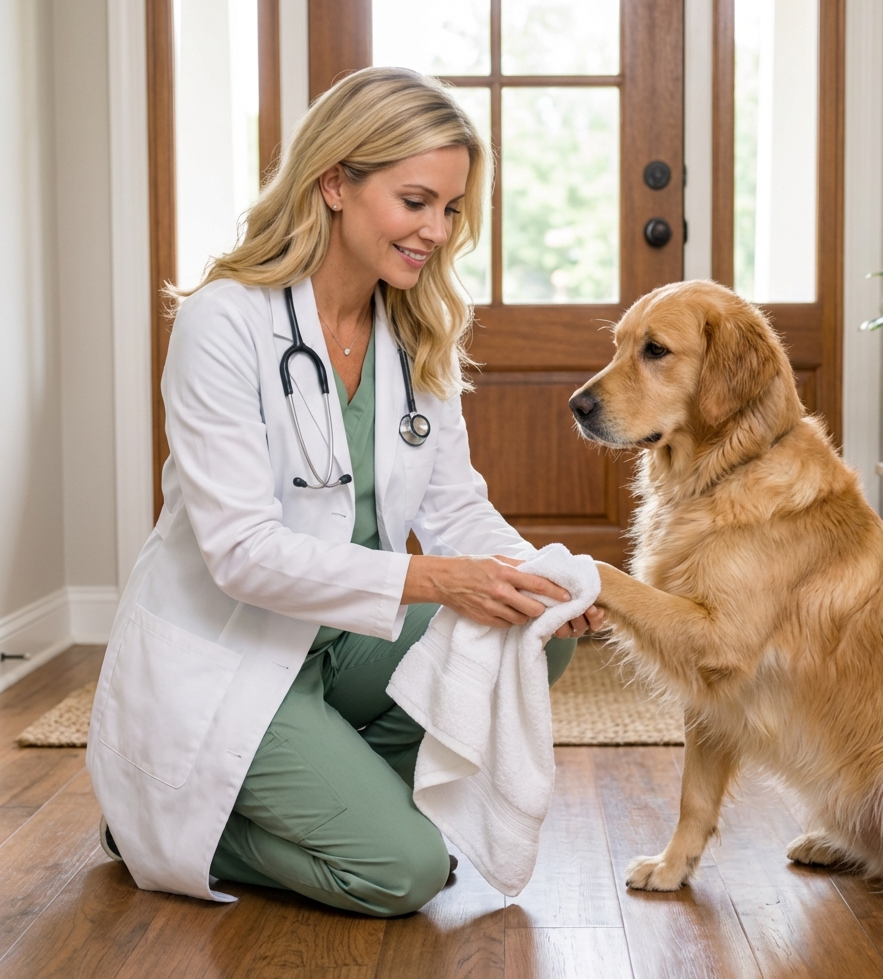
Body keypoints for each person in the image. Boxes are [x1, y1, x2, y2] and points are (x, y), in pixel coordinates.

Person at [86, 66, 603, 917]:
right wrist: (438, 580)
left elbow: (454, 507)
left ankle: (334, 780)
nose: (437, 230)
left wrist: (540, 577)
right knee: (404, 871)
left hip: (342, 639)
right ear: (334, 182)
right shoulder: (227, 322)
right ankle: (158, 826)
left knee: (534, 634)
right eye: (415, 201)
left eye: (451, 209)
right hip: (233, 650)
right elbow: (242, 555)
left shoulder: (414, 328)